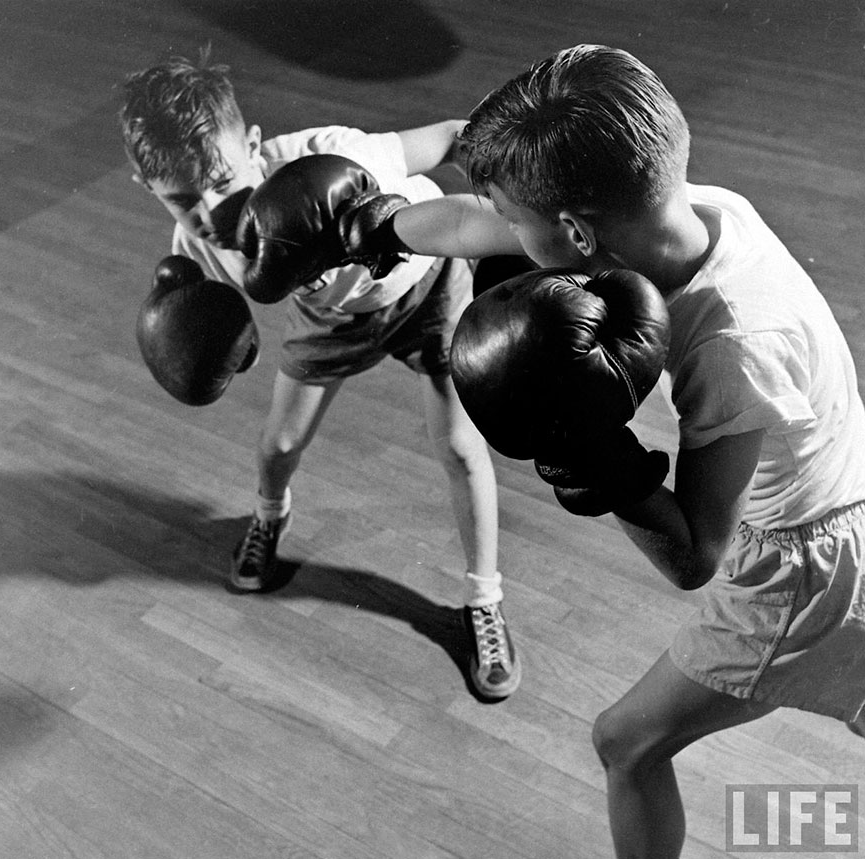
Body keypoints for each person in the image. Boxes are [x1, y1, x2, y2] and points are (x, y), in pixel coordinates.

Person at [248, 44, 865, 858]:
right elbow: (478, 222)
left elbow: (694, 556)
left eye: (519, 216)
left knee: (625, 742)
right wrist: (379, 227)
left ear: (576, 232)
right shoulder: (681, 208)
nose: (499, 223)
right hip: (838, 477)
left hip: (801, 564)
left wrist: (589, 447)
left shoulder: (733, 342)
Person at [118, 54, 522, 700]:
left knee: (459, 446)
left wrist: (521, 178)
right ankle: (269, 516)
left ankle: (484, 600)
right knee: (278, 444)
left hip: (430, 288)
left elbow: (449, 137)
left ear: (253, 147)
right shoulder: (191, 245)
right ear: (148, 186)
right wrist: (191, 337)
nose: (212, 209)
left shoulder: (331, 154)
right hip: (332, 317)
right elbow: (198, 302)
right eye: (184, 199)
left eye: (222, 179)